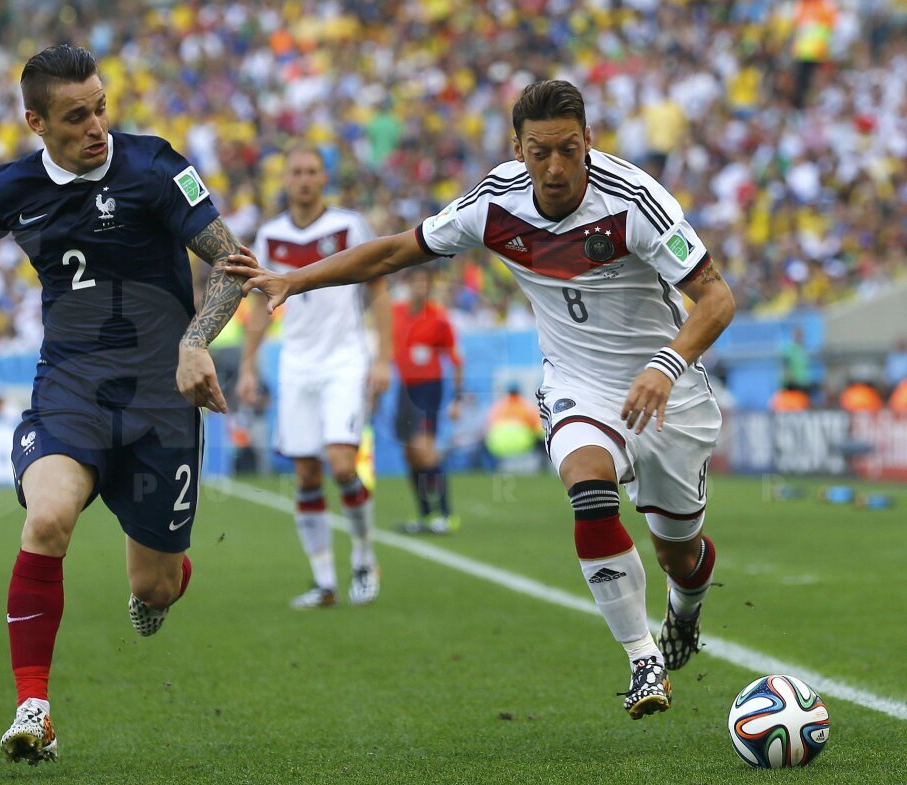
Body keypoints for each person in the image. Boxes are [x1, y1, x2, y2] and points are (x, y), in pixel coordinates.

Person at [228, 80, 736, 720]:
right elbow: (394, 251)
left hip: (666, 387)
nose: (555, 168)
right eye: (540, 151)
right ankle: (642, 659)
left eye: (569, 150)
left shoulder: (635, 201)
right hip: (576, 380)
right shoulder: (496, 203)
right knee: (589, 488)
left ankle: (684, 611)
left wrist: (666, 364)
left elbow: (717, 297)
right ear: (517, 148)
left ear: (590, 143)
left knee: (678, 551)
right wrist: (295, 281)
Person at [0, 45, 245, 764]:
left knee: (155, 583)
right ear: (35, 122)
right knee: (46, 516)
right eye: (76, 115)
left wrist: (195, 341)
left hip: (161, 397)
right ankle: (35, 708)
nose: (97, 127)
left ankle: (165, 579)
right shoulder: (9, 189)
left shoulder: (153, 167)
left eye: (101, 107)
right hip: (72, 387)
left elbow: (231, 264)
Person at [235, 144, 391, 609]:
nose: (303, 179)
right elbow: (261, 308)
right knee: (305, 474)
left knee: (342, 464)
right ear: (285, 180)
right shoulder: (270, 236)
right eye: (296, 172)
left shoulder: (347, 226)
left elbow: (378, 290)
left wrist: (383, 358)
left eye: (311, 171)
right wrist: (247, 364)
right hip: (297, 364)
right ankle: (324, 581)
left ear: (325, 178)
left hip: (345, 360)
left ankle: (363, 556)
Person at [390, 266, 463, 534]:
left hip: (428, 389)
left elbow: (455, 360)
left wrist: (456, 398)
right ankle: (424, 514)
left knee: (424, 449)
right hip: (404, 390)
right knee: (410, 454)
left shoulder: (438, 318)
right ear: (408, 284)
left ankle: (445, 514)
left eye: (425, 281)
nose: (420, 286)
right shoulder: (396, 313)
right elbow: (388, 349)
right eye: (416, 281)